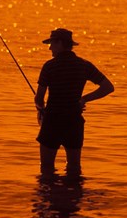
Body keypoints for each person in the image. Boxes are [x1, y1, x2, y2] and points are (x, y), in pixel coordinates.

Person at [35, 28, 114, 175]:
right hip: (74, 122)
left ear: (60, 43)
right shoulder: (84, 65)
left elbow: (39, 98)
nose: (50, 48)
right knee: (74, 168)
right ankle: (74, 195)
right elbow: (108, 87)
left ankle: (49, 196)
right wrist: (84, 99)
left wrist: (41, 110)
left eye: (51, 43)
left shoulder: (49, 66)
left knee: (46, 169)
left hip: (52, 121)